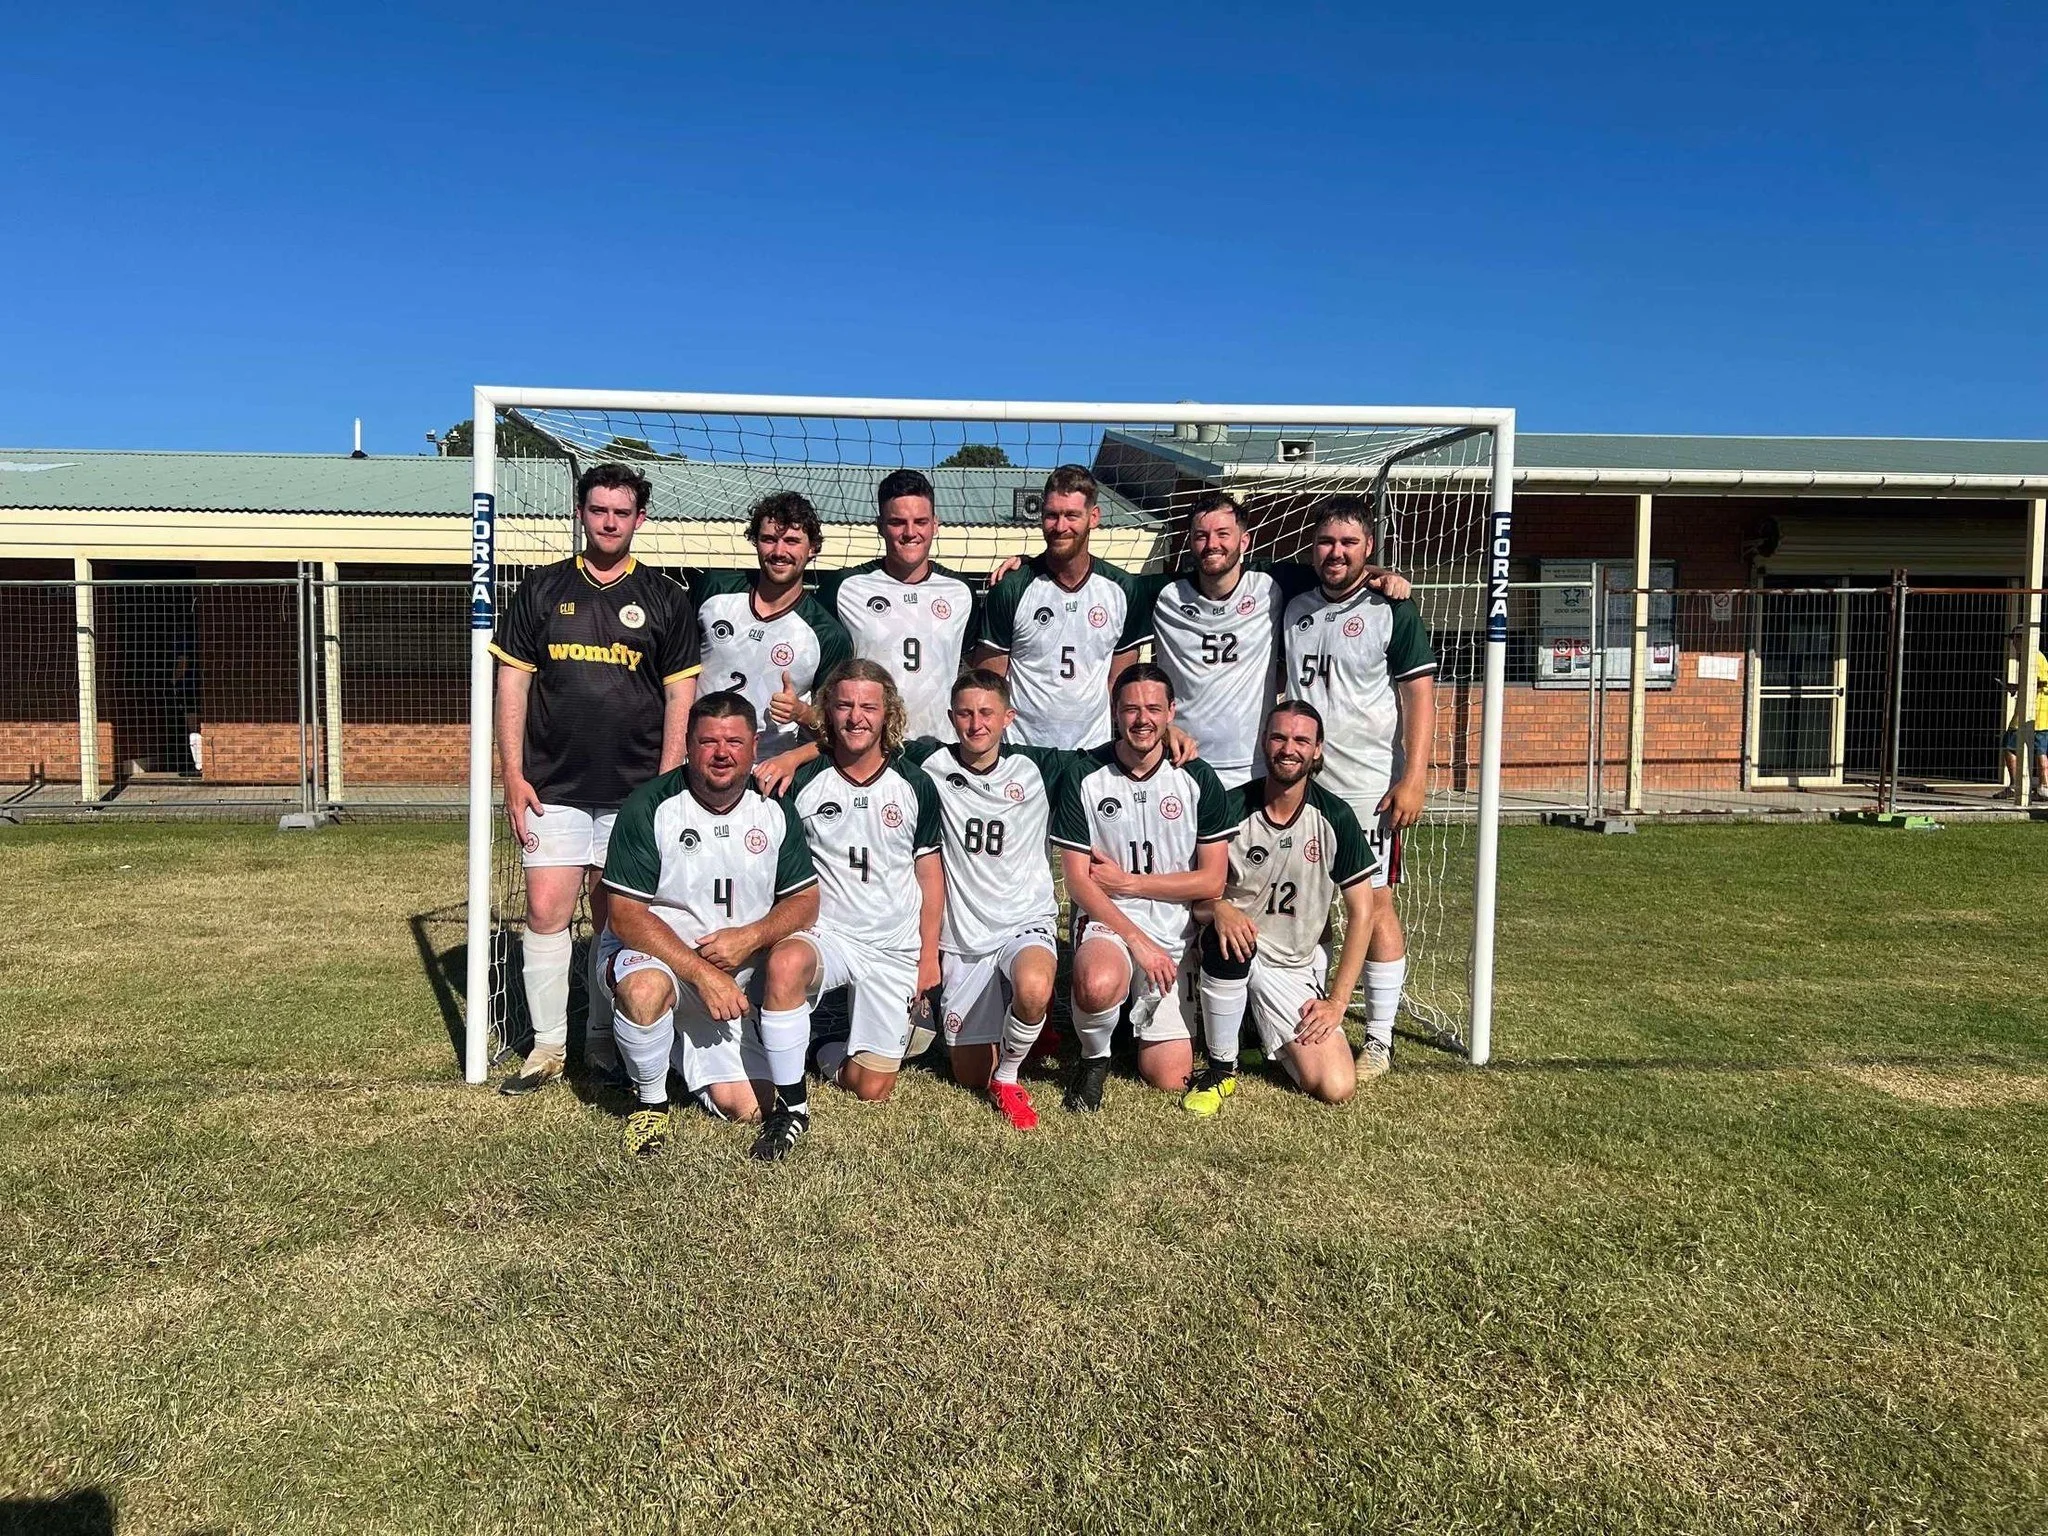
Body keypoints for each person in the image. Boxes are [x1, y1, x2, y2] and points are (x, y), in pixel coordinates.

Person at [489, 462, 701, 1096]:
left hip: (633, 792)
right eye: (599, 509)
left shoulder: (665, 598)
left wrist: (664, 785)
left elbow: (681, 699)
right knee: (547, 909)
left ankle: (603, 1042)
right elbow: (513, 684)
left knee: (618, 919)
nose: (610, 521)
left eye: (622, 511)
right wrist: (512, 775)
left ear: (640, 519)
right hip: (552, 785)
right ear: (581, 513)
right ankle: (548, 1046)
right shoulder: (540, 590)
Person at [986, 488, 1410, 785]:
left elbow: (1336, 568)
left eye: (1223, 535)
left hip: (1254, 769)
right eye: (1202, 536)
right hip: (1180, 763)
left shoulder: (1274, 584)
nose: (1212, 545)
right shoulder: (1160, 593)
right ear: (1189, 542)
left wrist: (1378, 574)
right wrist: (1031, 564)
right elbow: (1092, 577)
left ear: (1244, 540)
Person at [598, 692, 820, 1154]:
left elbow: (804, 901)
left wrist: (753, 937)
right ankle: (650, 1103)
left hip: (734, 974)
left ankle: (671, 1048)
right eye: (708, 742)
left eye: (734, 741)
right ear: (687, 744)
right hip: (661, 960)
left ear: (755, 746)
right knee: (644, 991)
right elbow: (624, 914)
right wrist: (700, 974)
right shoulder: (650, 806)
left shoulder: (774, 807)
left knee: (752, 1108)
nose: (722, 753)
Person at [752, 660, 946, 1160]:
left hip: (892, 946)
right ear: (827, 713)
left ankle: (824, 1048)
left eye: (868, 707)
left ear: (888, 715)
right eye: (843, 705)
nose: (855, 717)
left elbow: (929, 876)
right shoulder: (803, 780)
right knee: (786, 962)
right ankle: (791, 1105)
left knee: (870, 1088)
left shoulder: (915, 784)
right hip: (828, 932)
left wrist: (929, 956)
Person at [1281, 497, 1437, 1085]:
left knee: (1373, 905)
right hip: (1301, 784)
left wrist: (1414, 776)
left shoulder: (1392, 609)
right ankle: (1311, 1016)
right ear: (1311, 549)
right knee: (1310, 907)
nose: (1336, 553)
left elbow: (1419, 696)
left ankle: (1379, 1037)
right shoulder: (1294, 607)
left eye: (1349, 543)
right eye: (1326, 543)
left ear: (1368, 548)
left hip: (1369, 787)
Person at [1051, 663, 1233, 1113]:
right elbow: (1077, 880)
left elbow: (1212, 880)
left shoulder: (1198, 777)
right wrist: (1138, 941)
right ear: (1114, 711)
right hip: (1111, 925)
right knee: (1096, 983)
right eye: (1130, 709)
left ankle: (1128, 1028)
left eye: (1153, 708)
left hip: (1173, 932)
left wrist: (1131, 883)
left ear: (1172, 711)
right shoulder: (1085, 774)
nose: (1142, 719)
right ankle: (1094, 1058)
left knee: (1170, 1078)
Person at [1184, 700, 1378, 1116]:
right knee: (1227, 938)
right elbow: (1195, 896)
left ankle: (1253, 1031)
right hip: (1229, 950)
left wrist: (1337, 1002)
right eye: (1279, 737)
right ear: (1263, 742)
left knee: (1336, 1085)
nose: (1289, 748)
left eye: (1301, 740)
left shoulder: (1335, 817)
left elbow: (1364, 912)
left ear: (1318, 749)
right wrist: (1217, 907)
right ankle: (1221, 1069)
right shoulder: (1230, 808)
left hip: (1291, 967)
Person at [900, 670, 1069, 1130]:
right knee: (971, 1073)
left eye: (987, 713)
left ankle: (1011, 1076)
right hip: (964, 936)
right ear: (952, 718)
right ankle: (1008, 1026)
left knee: (1035, 987)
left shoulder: (1039, 767)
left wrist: (1170, 734)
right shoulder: (927, 763)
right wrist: (801, 747)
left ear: (1007, 718)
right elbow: (860, 744)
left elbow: (1113, 757)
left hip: (1022, 920)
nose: (977, 724)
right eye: (966, 714)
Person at [973, 465, 1152, 749]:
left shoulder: (1124, 590)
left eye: (1071, 515)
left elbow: (1118, 685)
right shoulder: (1012, 588)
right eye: (1052, 515)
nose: (1060, 526)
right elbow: (990, 685)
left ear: (1093, 517)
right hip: (1022, 751)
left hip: (1092, 753)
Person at [684, 491, 852, 767]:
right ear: (755, 542)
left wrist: (801, 712)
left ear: (813, 548)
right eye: (769, 539)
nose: (779, 551)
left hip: (767, 772)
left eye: (792, 541)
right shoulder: (713, 590)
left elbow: (836, 732)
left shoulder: (827, 634)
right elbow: (676, 675)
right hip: (698, 761)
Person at [816, 469, 981, 741]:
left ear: (935, 524)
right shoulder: (844, 588)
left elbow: (976, 668)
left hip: (940, 746)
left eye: (920, 521)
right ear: (880, 525)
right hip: (868, 747)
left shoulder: (960, 591)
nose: (910, 532)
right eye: (897, 522)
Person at [2001, 626, 2047, 800]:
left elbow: (2041, 682)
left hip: (2031, 711)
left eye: (2015, 638)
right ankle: (2043, 787)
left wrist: (2019, 687)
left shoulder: (2033, 657)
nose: (2013, 643)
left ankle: (2016, 785)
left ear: (2022, 639)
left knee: (2009, 745)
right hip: (2039, 712)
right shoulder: (2032, 657)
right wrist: (2017, 687)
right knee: (2040, 749)